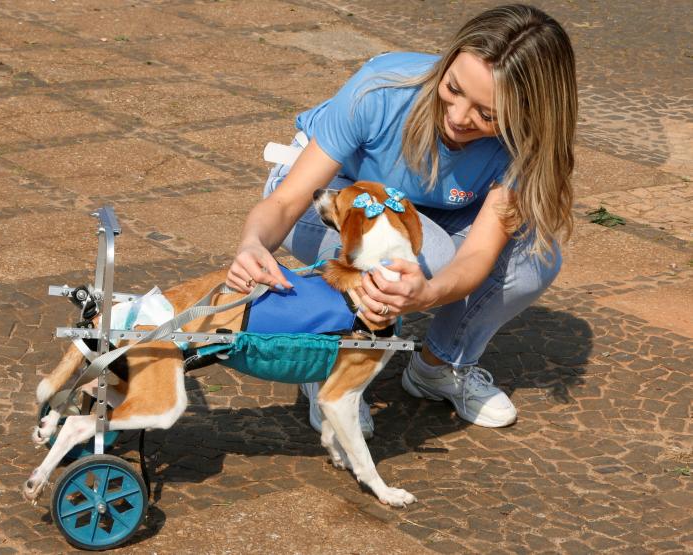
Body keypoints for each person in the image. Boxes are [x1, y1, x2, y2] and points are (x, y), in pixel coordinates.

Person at [225, 4, 577, 431]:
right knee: (427, 249)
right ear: (446, 64)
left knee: (533, 258)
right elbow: (287, 201)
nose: (458, 117)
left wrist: (426, 295)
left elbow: (480, 253)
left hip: (433, 206)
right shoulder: (382, 90)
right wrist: (252, 243)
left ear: (531, 113)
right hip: (333, 196)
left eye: (487, 114)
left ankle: (438, 367)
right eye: (452, 88)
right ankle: (331, 364)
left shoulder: (530, 144)